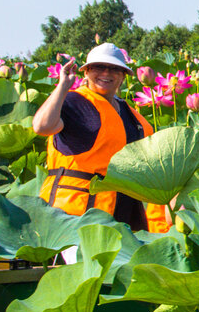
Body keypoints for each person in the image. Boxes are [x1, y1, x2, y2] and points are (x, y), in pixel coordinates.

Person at [32, 43, 165, 231]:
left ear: (123, 76)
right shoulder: (73, 102)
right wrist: (62, 87)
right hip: (72, 215)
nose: (106, 73)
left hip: (122, 216)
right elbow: (42, 127)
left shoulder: (133, 117)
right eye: (98, 67)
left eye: (114, 69)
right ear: (85, 72)